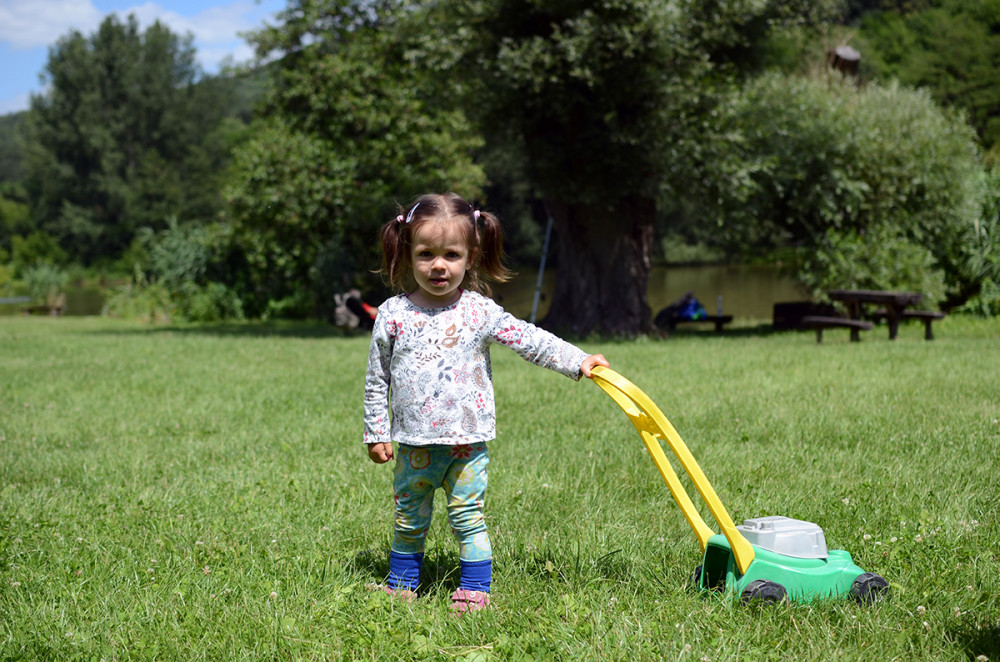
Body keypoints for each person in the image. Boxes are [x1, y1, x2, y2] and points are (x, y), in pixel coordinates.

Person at [363, 192, 609, 613]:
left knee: (468, 519)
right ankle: (401, 583)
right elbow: (376, 379)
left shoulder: (480, 312)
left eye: (451, 254)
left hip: (467, 444)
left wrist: (577, 360)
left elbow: (530, 339)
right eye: (425, 254)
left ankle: (475, 590)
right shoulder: (392, 314)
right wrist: (376, 431)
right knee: (409, 519)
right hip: (414, 445)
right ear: (407, 254)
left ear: (470, 256)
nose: (438, 265)